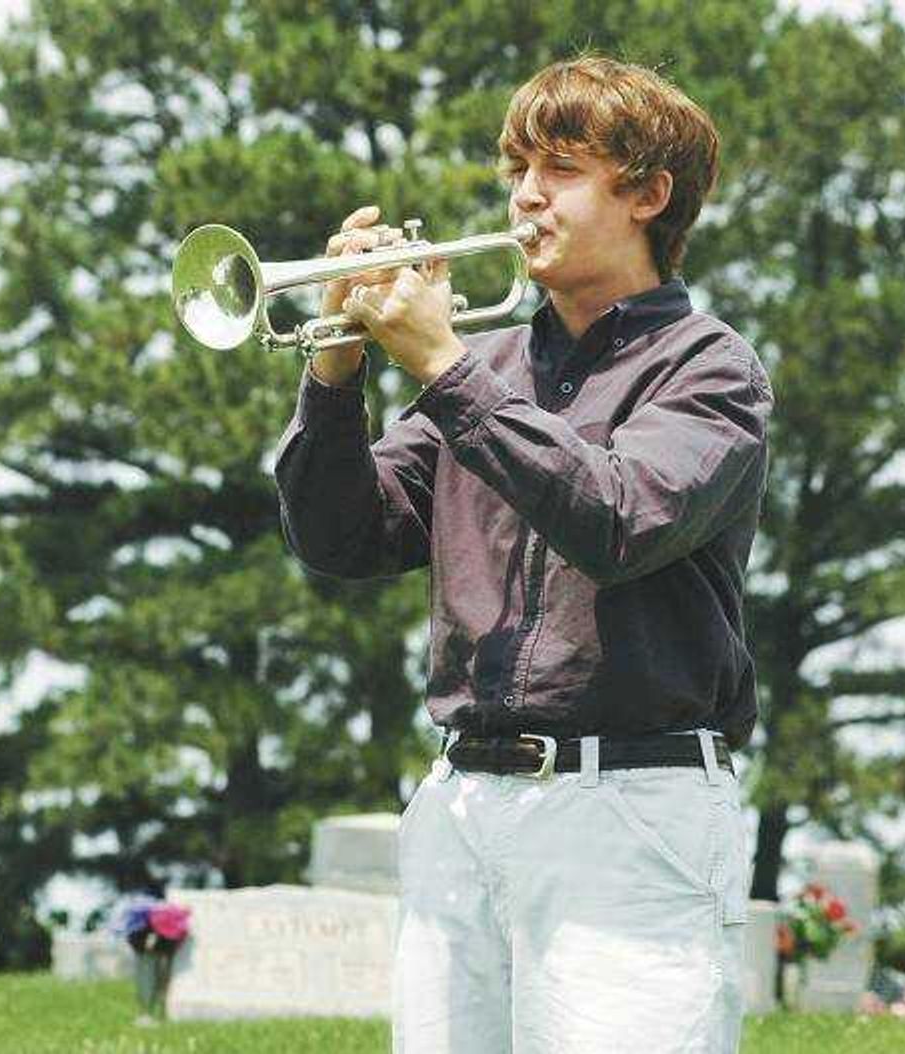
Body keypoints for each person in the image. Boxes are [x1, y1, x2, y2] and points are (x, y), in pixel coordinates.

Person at [273, 54, 773, 1053]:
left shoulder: (708, 369)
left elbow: (618, 518)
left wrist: (442, 366)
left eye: (560, 169)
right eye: (515, 169)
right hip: (461, 805)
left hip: (628, 810)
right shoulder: (490, 368)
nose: (523, 195)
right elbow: (342, 537)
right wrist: (333, 374)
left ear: (647, 194)